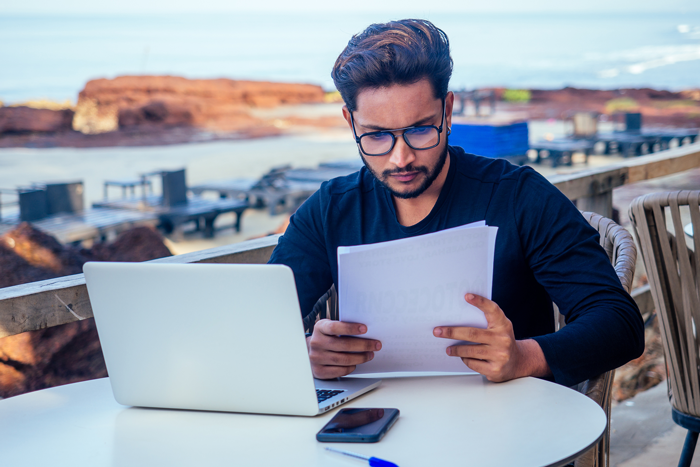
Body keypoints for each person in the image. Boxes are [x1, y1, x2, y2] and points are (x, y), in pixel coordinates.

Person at [269, 19, 644, 387]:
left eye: (419, 129)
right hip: (373, 429)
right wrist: (304, 351)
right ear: (351, 122)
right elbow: (255, 324)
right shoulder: (331, 209)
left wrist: (522, 357)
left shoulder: (518, 195)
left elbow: (618, 324)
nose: (401, 158)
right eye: (377, 136)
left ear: (447, 111)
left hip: (510, 432)